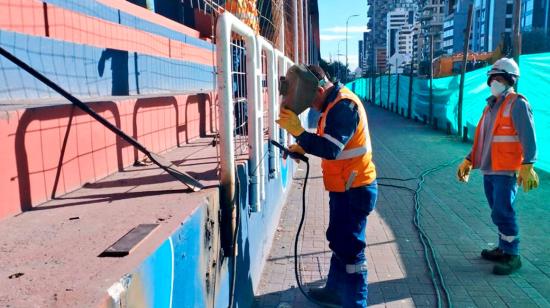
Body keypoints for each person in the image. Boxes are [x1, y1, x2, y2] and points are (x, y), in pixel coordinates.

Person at [277, 64, 377, 307]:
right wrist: (304, 146)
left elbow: (331, 149)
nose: (311, 106)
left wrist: (299, 133)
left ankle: (356, 303)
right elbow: (327, 142)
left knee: (352, 250)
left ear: (319, 91)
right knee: (338, 241)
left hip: (356, 189)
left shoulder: (344, 106)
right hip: (344, 187)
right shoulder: (332, 104)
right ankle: (334, 291)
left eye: (311, 102)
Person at [457, 58, 539, 275]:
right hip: (489, 168)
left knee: (503, 211)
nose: (495, 82)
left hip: (506, 170)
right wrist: (469, 159)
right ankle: (503, 247)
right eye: (493, 78)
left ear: (510, 81)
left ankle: (513, 254)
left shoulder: (517, 103)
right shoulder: (490, 106)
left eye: (500, 79)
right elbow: (482, 138)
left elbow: (528, 136)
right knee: (497, 211)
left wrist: (528, 164)